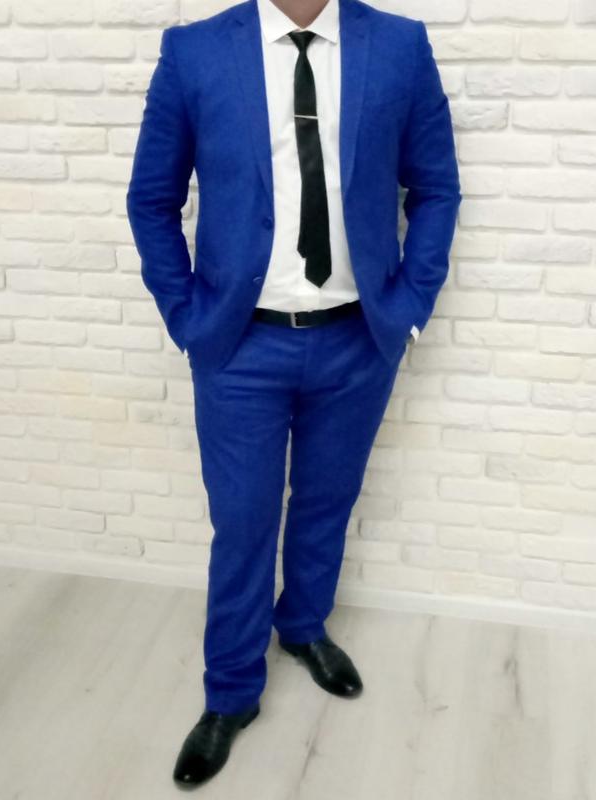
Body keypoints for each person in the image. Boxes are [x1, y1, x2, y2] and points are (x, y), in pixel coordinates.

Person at [126, 0, 460, 787]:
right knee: (243, 522)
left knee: (325, 501)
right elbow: (151, 199)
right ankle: (231, 692)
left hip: (356, 338)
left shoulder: (400, 47)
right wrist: (187, 317)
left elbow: (436, 189)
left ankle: (304, 626)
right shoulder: (195, 53)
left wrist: (409, 306)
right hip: (240, 344)